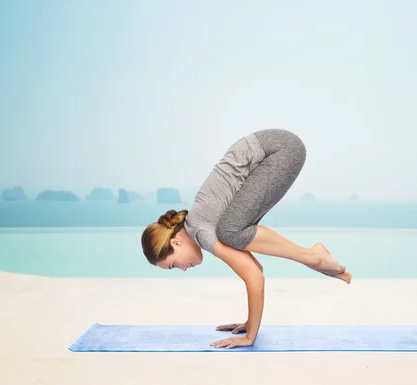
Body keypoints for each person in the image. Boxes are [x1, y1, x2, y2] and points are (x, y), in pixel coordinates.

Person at [141, 128, 352, 349]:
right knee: (232, 231)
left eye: (174, 264)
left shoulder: (201, 232)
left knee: (230, 231)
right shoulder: (200, 223)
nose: (182, 269)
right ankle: (313, 256)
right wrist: (250, 322)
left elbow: (254, 277)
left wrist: (250, 336)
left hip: (278, 150)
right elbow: (256, 268)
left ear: (176, 242)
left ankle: (313, 256)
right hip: (278, 148)